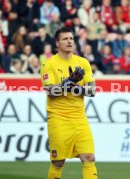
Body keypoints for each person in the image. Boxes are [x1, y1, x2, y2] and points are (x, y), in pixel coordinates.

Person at [40, 27, 98, 179]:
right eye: (65, 39)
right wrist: (68, 82)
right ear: (57, 43)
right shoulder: (49, 64)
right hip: (58, 117)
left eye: (71, 38)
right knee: (58, 161)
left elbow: (92, 91)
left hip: (79, 118)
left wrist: (76, 87)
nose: (69, 41)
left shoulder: (83, 62)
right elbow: (51, 91)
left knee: (89, 157)